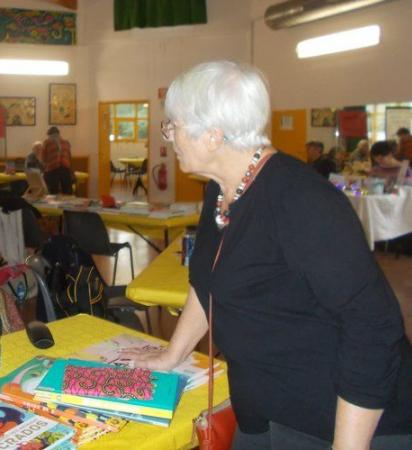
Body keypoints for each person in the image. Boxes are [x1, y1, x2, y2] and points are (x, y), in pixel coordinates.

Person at [122, 61, 411, 449]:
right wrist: (172, 354)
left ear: (212, 135)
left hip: (336, 424)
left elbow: (375, 330)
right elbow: (206, 282)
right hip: (262, 411)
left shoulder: (303, 201)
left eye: (172, 126)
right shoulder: (220, 191)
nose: (169, 137)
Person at [41, 127, 73, 195]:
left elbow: (43, 158)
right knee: (67, 192)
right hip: (65, 168)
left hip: (52, 169)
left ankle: (53, 204)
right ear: (58, 134)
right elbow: (69, 157)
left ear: (49, 135)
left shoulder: (47, 142)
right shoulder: (66, 142)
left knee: (53, 192)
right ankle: (68, 204)